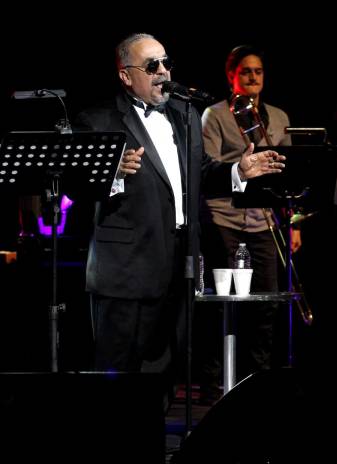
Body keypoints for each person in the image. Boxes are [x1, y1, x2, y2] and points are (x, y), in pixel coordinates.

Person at [76, 34, 284, 383]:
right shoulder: (97, 120)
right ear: (126, 76)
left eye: (166, 62)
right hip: (125, 270)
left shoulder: (184, 113)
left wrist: (238, 171)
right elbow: (74, 189)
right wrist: (111, 174)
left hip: (179, 265)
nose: (163, 71)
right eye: (151, 65)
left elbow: (200, 172)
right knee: (116, 374)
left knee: (165, 372)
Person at [197, 45, 297, 393]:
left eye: (258, 71)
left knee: (266, 304)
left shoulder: (280, 117)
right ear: (231, 76)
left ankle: (260, 382)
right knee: (223, 304)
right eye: (245, 72)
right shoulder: (214, 115)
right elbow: (207, 168)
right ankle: (213, 382)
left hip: (265, 221)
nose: (253, 77)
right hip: (224, 218)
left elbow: (286, 173)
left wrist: (293, 222)